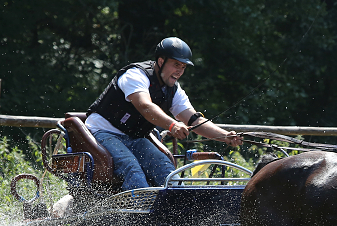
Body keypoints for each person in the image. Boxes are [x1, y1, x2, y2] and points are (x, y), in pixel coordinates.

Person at [86, 37, 242, 191]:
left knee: (167, 171)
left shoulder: (174, 90)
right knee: (133, 171)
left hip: (135, 138)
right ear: (161, 61)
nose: (179, 71)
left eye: (183, 67)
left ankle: (178, 213)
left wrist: (226, 136)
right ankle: (140, 216)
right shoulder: (135, 75)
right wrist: (172, 124)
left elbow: (195, 120)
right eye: (176, 65)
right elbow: (145, 106)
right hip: (103, 132)